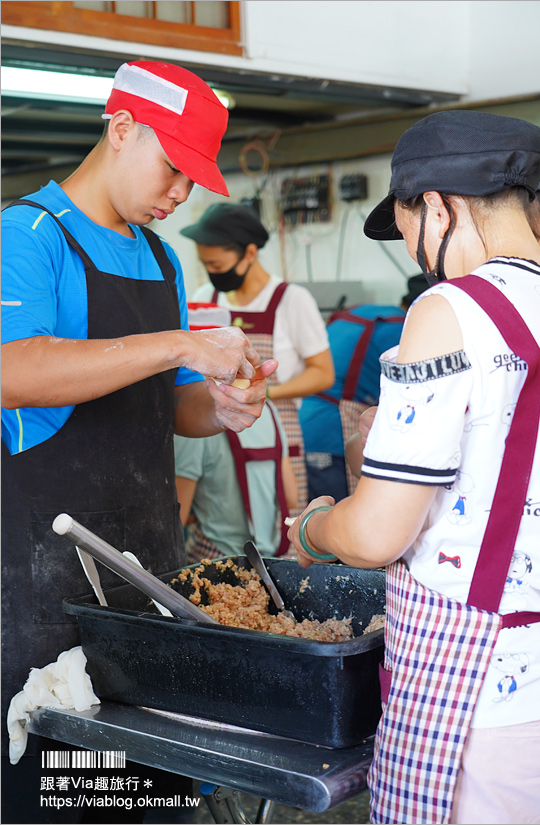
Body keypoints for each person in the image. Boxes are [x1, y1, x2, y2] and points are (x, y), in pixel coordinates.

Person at [1, 60, 276, 823]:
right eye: (174, 169)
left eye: (195, 179)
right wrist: (182, 347)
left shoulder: (159, 255)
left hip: (148, 580)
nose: (181, 194)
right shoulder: (27, 233)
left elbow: (171, 408)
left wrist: (223, 406)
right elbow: (13, 369)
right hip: (44, 590)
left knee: (152, 798)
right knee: (61, 798)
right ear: (121, 130)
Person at [287, 110, 540, 825]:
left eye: (412, 241)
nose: (420, 266)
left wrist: (314, 529)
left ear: (439, 206)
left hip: (481, 700)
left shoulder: (451, 306)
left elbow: (376, 534)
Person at [179, 203, 335, 516]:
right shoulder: (206, 297)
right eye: (206, 264)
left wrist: (261, 393)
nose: (212, 272)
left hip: (277, 433)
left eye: (218, 265)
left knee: (277, 521)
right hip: (217, 433)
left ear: (250, 253)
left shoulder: (291, 300)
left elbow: (323, 373)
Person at [299, 274, 428, 502]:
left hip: (306, 420)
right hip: (332, 429)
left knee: (317, 508)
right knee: (335, 510)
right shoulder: (401, 329)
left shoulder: (366, 312)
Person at [174, 398, 298, 563]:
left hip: (215, 559)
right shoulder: (267, 409)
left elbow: (176, 518)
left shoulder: (193, 416)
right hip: (270, 559)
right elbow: (291, 497)